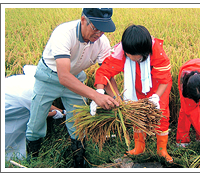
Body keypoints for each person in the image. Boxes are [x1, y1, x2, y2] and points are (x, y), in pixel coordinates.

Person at [25, 8, 118, 168]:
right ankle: (33, 161)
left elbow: (107, 74)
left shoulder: (102, 43)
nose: (99, 34)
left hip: (75, 79)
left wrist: (117, 99)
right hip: (49, 77)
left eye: (103, 30)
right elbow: (63, 76)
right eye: (95, 28)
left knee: (78, 124)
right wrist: (96, 96)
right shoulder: (64, 33)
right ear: (83, 20)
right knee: (36, 122)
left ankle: (79, 164)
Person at [93, 24, 173, 162]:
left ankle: (162, 150)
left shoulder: (157, 52)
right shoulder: (122, 51)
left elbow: (165, 80)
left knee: (162, 114)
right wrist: (99, 92)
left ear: (145, 52)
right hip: (136, 87)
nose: (129, 57)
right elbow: (104, 71)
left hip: (159, 87)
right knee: (136, 113)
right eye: (128, 54)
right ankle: (139, 147)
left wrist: (156, 97)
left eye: (133, 56)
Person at [5, 65, 66, 160]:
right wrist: (55, 114)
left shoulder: (32, 80)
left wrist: (60, 110)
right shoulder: (29, 91)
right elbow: (39, 112)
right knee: (9, 131)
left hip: (13, 102)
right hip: (8, 109)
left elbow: (41, 102)